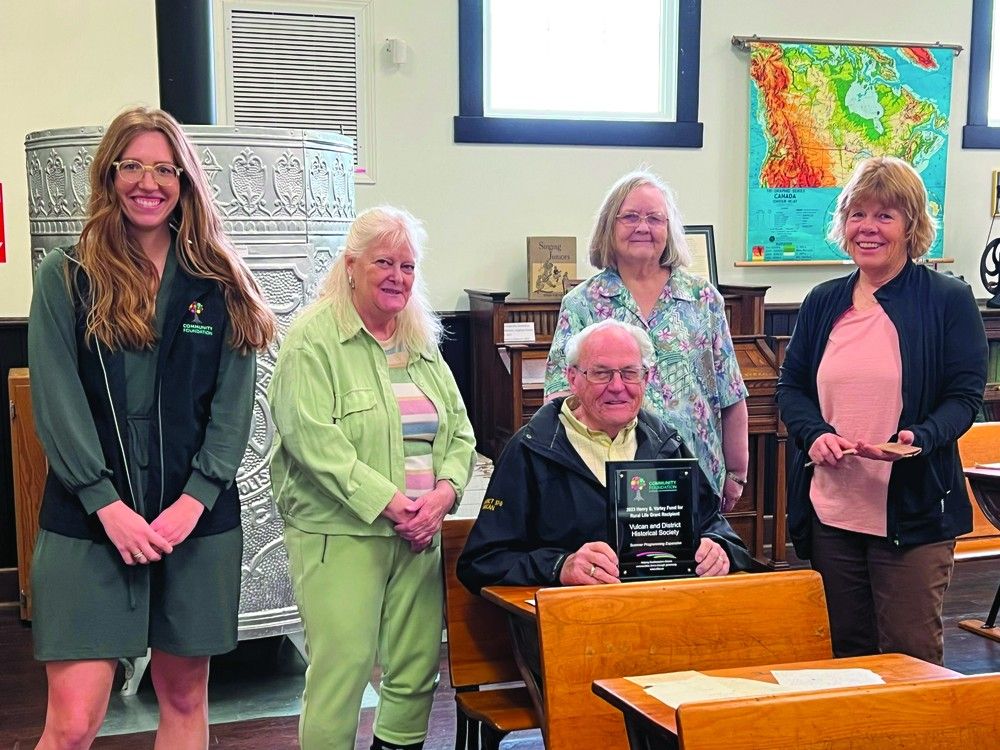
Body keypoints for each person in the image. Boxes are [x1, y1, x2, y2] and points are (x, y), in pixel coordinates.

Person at [28, 106, 276, 749]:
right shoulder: (66, 275)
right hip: (89, 523)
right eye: (133, 165)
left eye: (164, 168)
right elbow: (56, 403)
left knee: (187, 696)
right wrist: (104, 504)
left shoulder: (221, 283)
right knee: (75, 719)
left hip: (192, 522)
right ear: (110, 175)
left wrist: (194, 503)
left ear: (185, 181)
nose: (149, 181)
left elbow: (233, 410)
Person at [268, 206, 476, 750]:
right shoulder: (313, 339)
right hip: (342, 533)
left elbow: (460, 434)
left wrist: (442, 496)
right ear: (351, 265)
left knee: (414, 670)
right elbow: (313, 441)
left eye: (408, 266)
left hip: (420, 530)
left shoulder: (420, 341)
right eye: (384, 262)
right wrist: (392, 504)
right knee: (343, 670)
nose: (397, 277)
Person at [776, 156, 988, 666]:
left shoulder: (948, 300)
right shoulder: (823, 300)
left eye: (885, 216)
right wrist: (814, 434)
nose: (868, 228)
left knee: (908, 658)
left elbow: (964, 396)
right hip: (833, 512)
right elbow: (792, 388)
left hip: (914, 515)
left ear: (912, 226)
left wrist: (921, 437)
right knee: (846, 655)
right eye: (857, 214)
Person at [458, 319, 752, 593]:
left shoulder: (667, 444)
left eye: (629, 373)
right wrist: (559, 566)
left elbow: (719, 530)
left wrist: (718, 549)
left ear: (645, 379)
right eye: (601, 373)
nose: (617, 386)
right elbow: (481, 561)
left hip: (662, 616)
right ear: (573, 379)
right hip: (570, 627)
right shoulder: (532, 448)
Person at [545, 170, 749, 513]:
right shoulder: (582, 303)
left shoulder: (703, 299)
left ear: (669, 230)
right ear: (610, 226)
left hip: (696, 475)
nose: (643, 227)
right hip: (609, 479)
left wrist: (737, 473)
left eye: (655, 218)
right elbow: (559, 398)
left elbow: (730, 394)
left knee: (698, 564)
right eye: (630, 217)